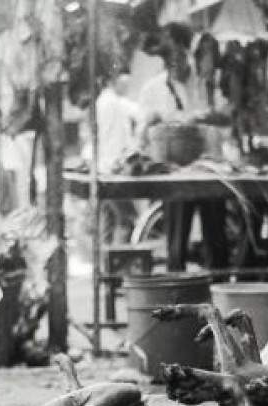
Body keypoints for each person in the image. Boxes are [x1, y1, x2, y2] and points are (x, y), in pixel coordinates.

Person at [138, 23, 230, 272]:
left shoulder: (206, 82)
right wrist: (152, 123)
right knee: (177, 244)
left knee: (216, 242)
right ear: (166, 61)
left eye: (182, 54)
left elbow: (227, 115)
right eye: (172, 57)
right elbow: (143, 134)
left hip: (210, 169)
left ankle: (219, 293)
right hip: (176, 172)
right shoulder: (153, 89)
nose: (178, 61)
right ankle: (177, 297)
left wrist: (201, 117)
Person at [85, 73, 142, 243]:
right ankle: (120, 265)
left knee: (107, 222)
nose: (127, 86)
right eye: (124, 81)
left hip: (102, 170)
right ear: (112, 81)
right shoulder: (115, 104)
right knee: (128, 220)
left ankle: (106, 264)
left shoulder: (100, 103)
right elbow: (142, 114)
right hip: (113, 171)